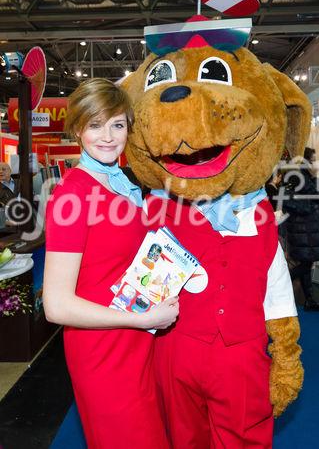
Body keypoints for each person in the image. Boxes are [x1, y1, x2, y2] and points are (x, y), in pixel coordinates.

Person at [43, 78, 179, 449]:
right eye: (95, 125)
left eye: (117, 124)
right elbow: (56, 305)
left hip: (140, 340)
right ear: (77, 129)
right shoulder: (73, 195)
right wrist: (140, 319)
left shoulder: (121, 183)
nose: (107, 136)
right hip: (104, 348)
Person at [283, 147, 319, 311]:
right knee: (305, 265)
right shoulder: (302, 176)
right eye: (314, 159)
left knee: (306, 264)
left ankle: (309, 299)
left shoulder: (302, 176)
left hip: (305, 228)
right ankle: (279, 284)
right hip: (304, 229)